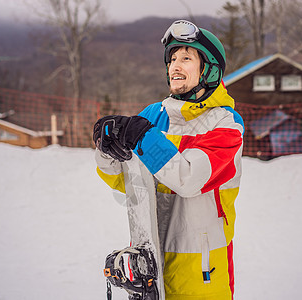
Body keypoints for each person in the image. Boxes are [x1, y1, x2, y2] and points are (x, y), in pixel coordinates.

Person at [93, 20, 244, 300]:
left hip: (200, 277)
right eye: (172, 58)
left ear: (209, 68)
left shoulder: (225, 124)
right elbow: (123, 180)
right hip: (149, 269)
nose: (175, 65)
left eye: (186, 58)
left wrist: (143, 138)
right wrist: (106, 149)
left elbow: (187, 179)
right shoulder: (154, 115)